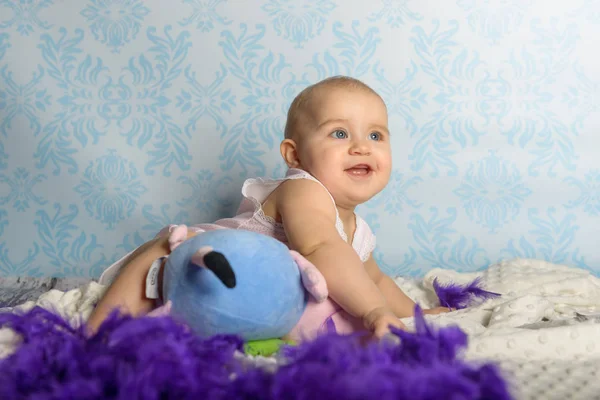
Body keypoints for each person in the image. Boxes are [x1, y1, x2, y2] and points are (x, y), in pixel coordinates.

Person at [87, 75, 450, 340]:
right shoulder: (303, 190)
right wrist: (374, 312)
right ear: (294, 155)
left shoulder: (359, 231)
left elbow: (375, 280)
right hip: (207, 266)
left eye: (376, 135)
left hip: (253, 301)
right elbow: (321, 248)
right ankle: (96, 332)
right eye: (340, 133)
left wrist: (413, 314)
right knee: (165, 251)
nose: (361, 146)